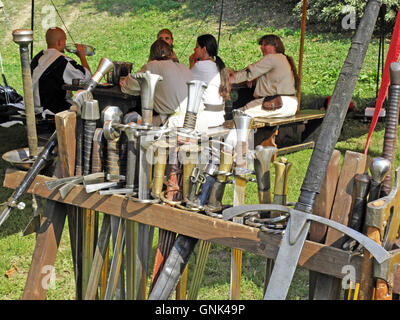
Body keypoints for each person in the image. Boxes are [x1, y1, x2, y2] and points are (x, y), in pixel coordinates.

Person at [121, 39, 193, 127]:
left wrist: (124, 80)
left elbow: (129, 86)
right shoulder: (183, 67)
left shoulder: (152, 66)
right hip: (193, 119)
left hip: (174, 123)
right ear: (170, 53)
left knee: (130, 120)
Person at [229, 34, 299, 119]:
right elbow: (262, 76)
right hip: (289, 105)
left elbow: (249, 72)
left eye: (265, 45)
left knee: (239, 116)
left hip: (277, 103)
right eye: (261, 45)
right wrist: (253, 78)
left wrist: (230, 79)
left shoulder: (272, 58)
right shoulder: (283, 59)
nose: (261, 47)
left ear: (274, 46)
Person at [31, 27, 92, 115]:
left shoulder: (37, 58)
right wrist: (82, 56)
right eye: (65, 41)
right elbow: (86, 77)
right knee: (85, 107)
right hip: (50, 109)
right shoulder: (62, 61)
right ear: (60, 42)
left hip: (31, 107)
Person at [189, 34, 231, 129]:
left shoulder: (200, 66)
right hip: (219, 118)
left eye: (196, 47)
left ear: (204, 49)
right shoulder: (217, 65)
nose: (194, 49)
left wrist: (191, 63)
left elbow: (186, 82)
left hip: (206, 119)